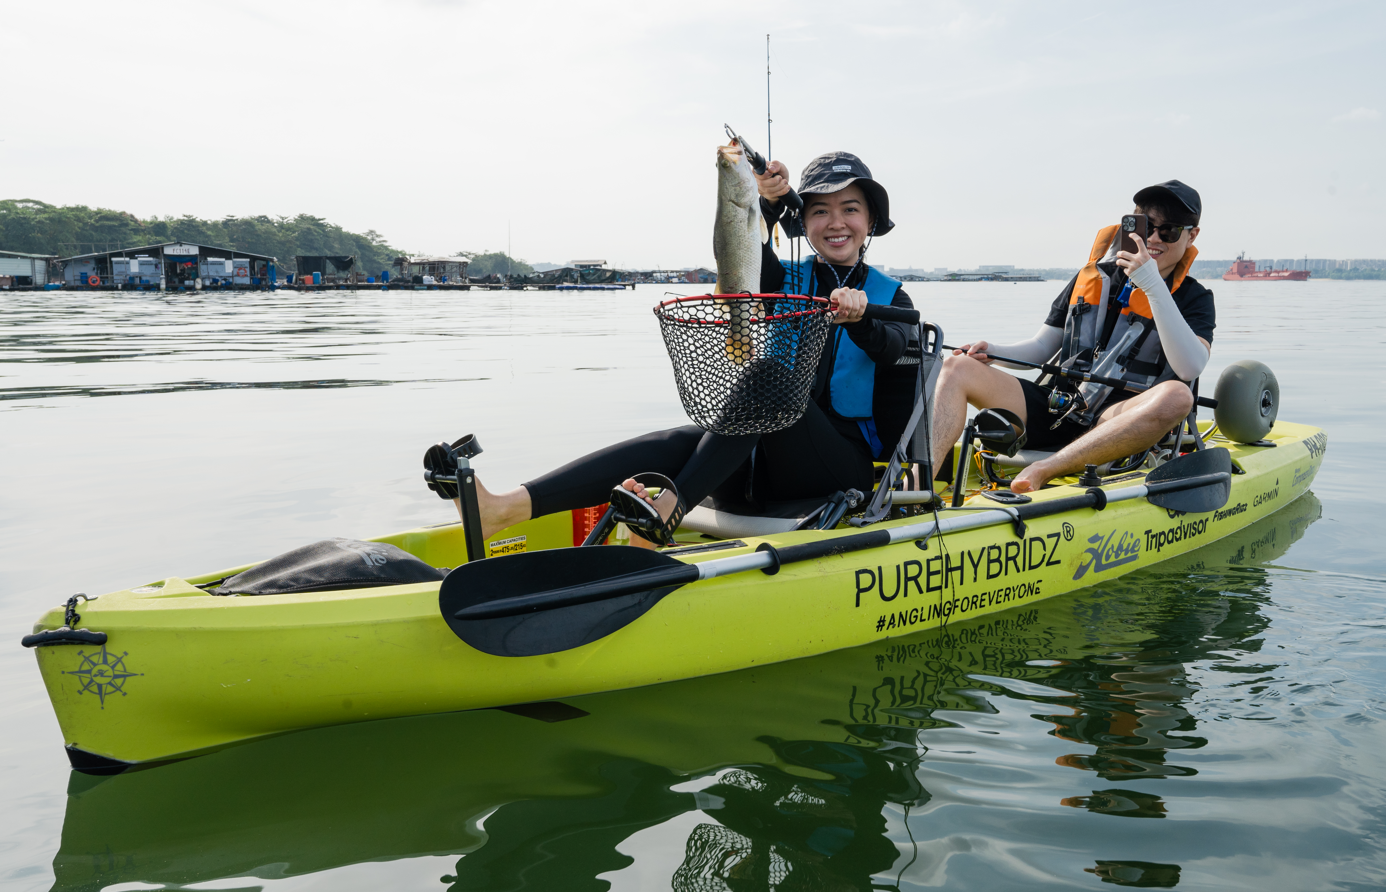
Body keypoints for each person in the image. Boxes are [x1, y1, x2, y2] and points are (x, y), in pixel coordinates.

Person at [446, 145, 919, 547]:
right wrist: (769, 201)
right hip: (759, 467)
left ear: (871, 219)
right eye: (820, 210)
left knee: (768, 376)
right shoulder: (784, 282)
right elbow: (742, 246)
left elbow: (897, 348)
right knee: (680, 440)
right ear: (806, 222)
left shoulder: (891, 297)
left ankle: (667, 511)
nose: (835, 222)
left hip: (839, 473)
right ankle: (505, 509)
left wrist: (862, 321)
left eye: (850, 208)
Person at [931, 180, 1214, 493]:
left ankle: (1047, 468)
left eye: (1169, 231)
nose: (1153, 239)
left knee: (1177, 396)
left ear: (1192, 235)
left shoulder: (1195, 298)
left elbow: (1190, 367)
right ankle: (918, 487)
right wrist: (993, 351)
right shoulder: (1092, 277)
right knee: (955, 367)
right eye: (1146, 227)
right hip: (1058, 406)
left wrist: (1153, 285)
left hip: (1117, 422)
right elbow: (1041, 347)